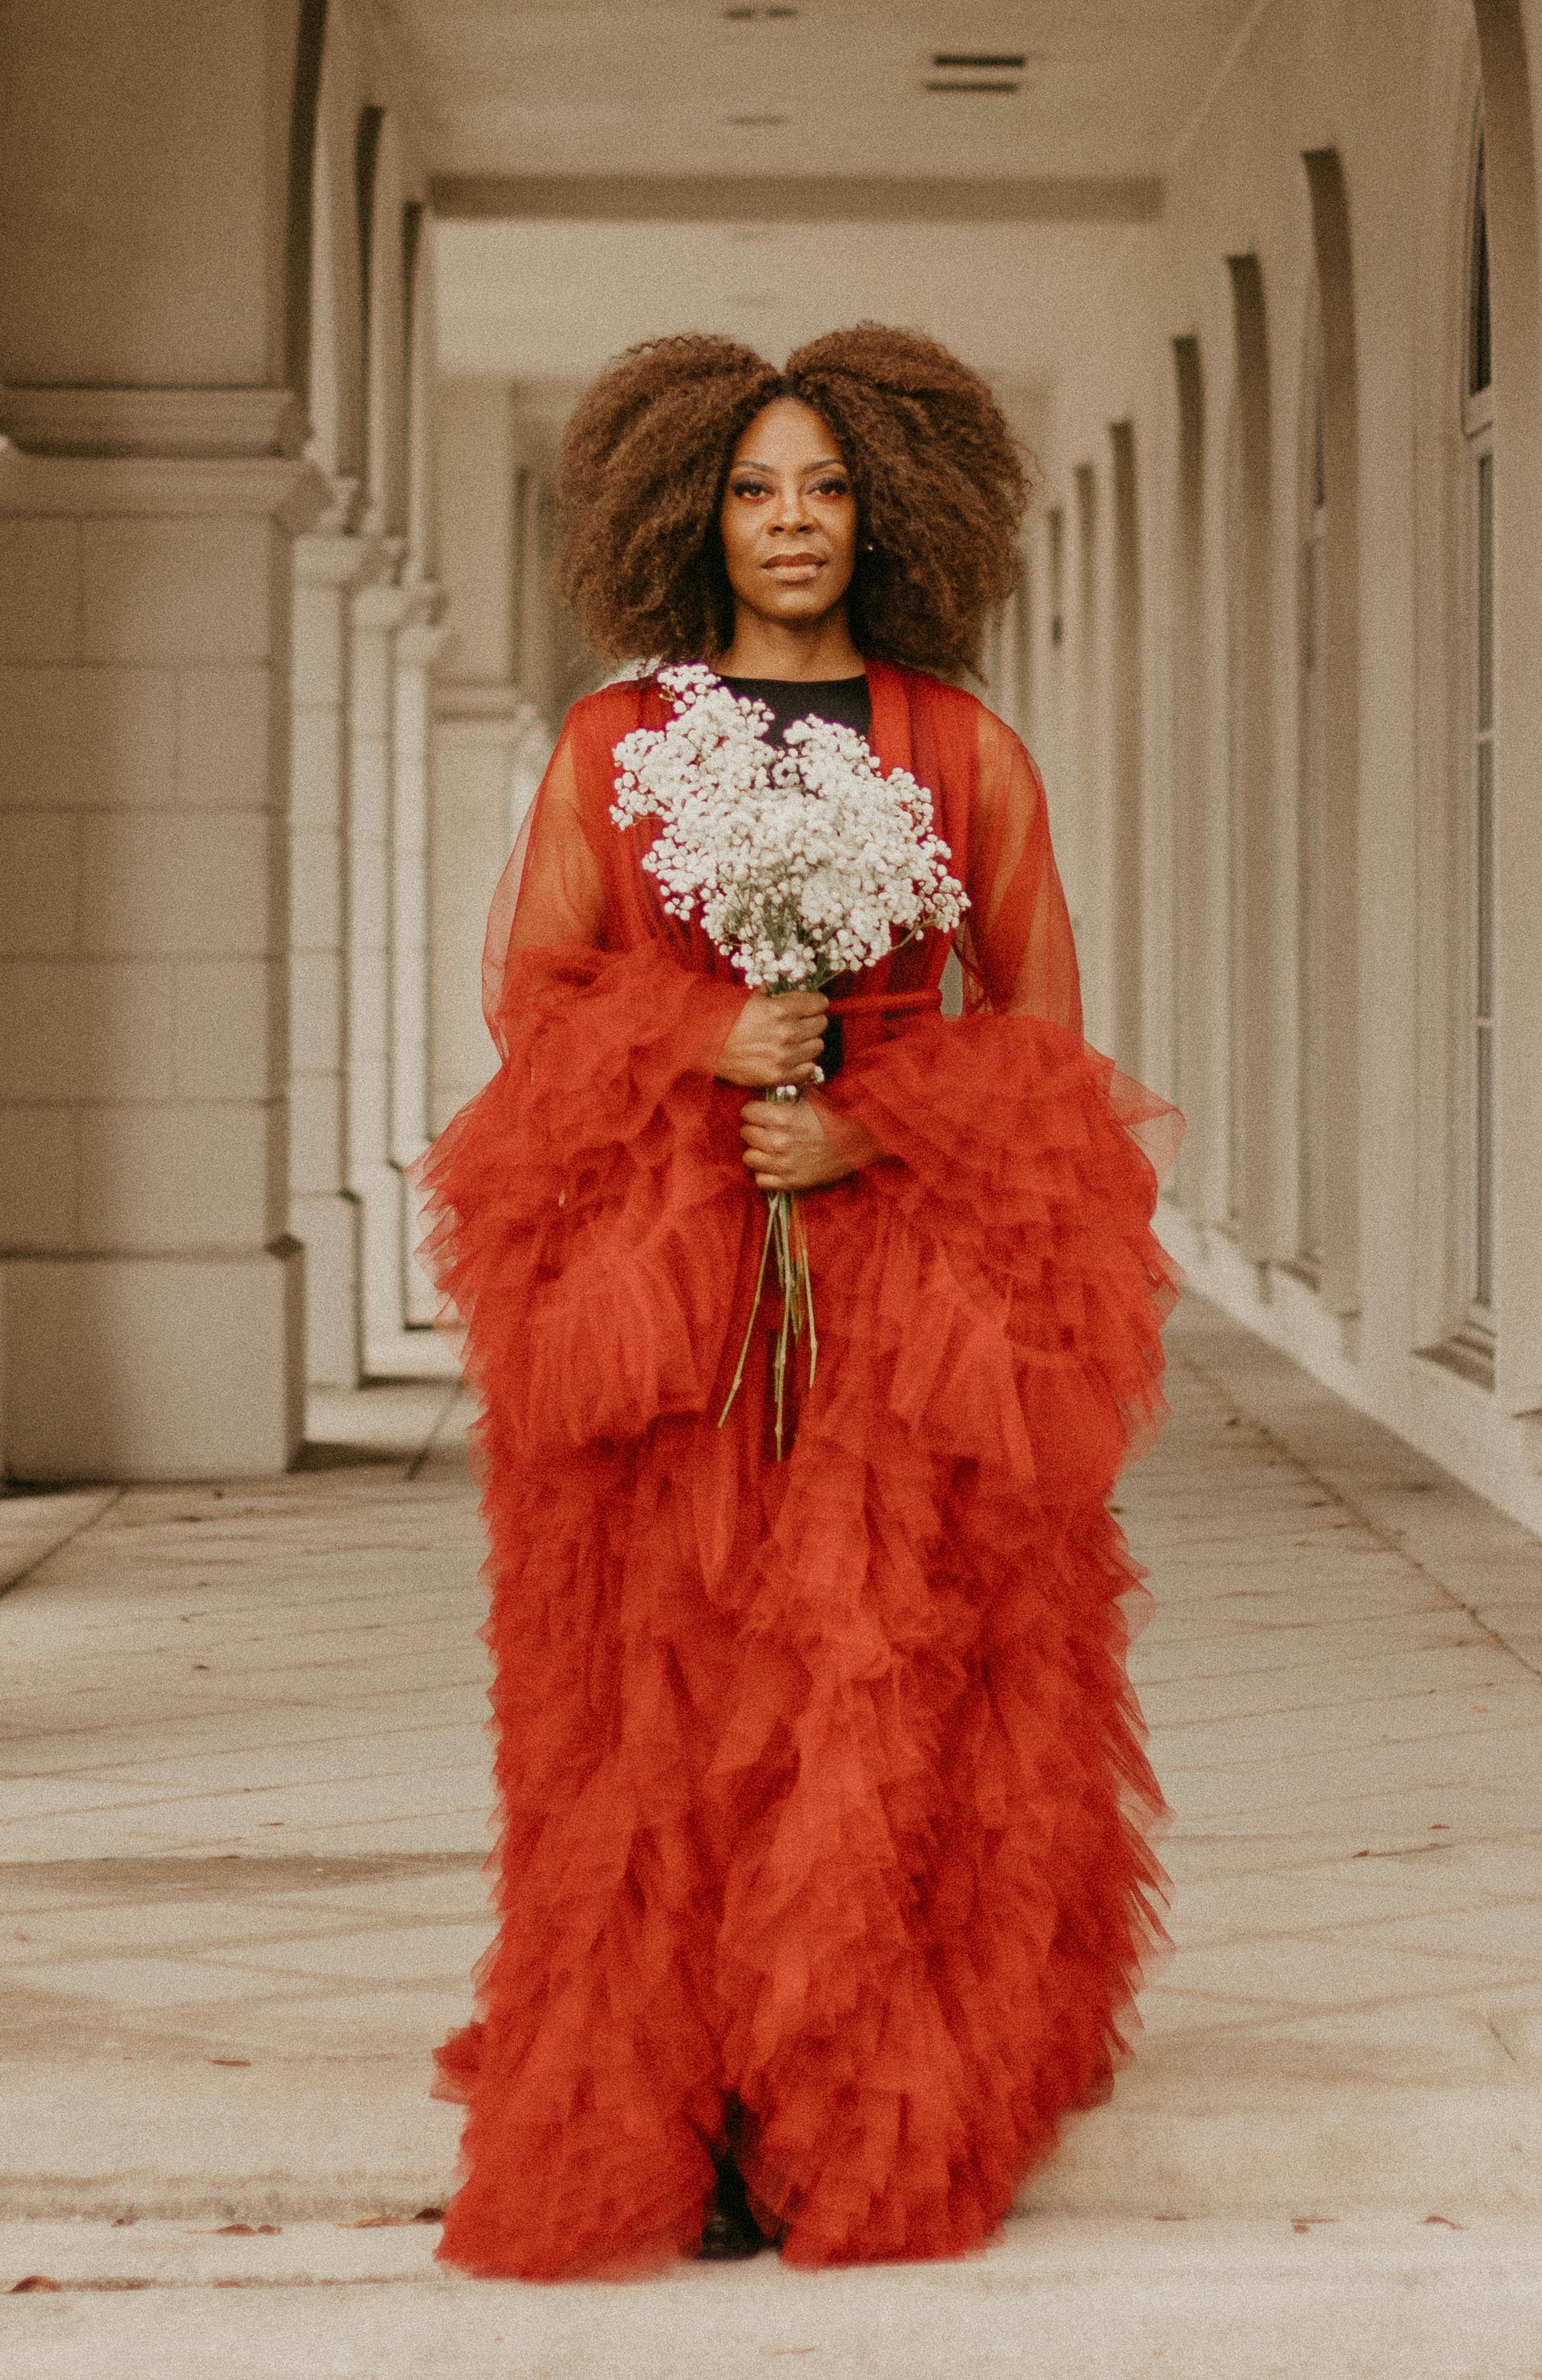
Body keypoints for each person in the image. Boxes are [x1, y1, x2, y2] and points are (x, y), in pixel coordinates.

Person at [422, 323, 1179, 2278]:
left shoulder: (960, 747)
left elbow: (1046, 1039)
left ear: (889, 514)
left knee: (877, 1685)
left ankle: (844, 2084)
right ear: (695, 509)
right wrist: (707, 1037)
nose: (791, 523)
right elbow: (534, 1002)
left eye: (827, 488)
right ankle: (691, 2094)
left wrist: (864, 1135)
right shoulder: (615, 744)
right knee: (672, 1687)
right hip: (679, 1293)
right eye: (756, 488)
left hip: (899, 1302)